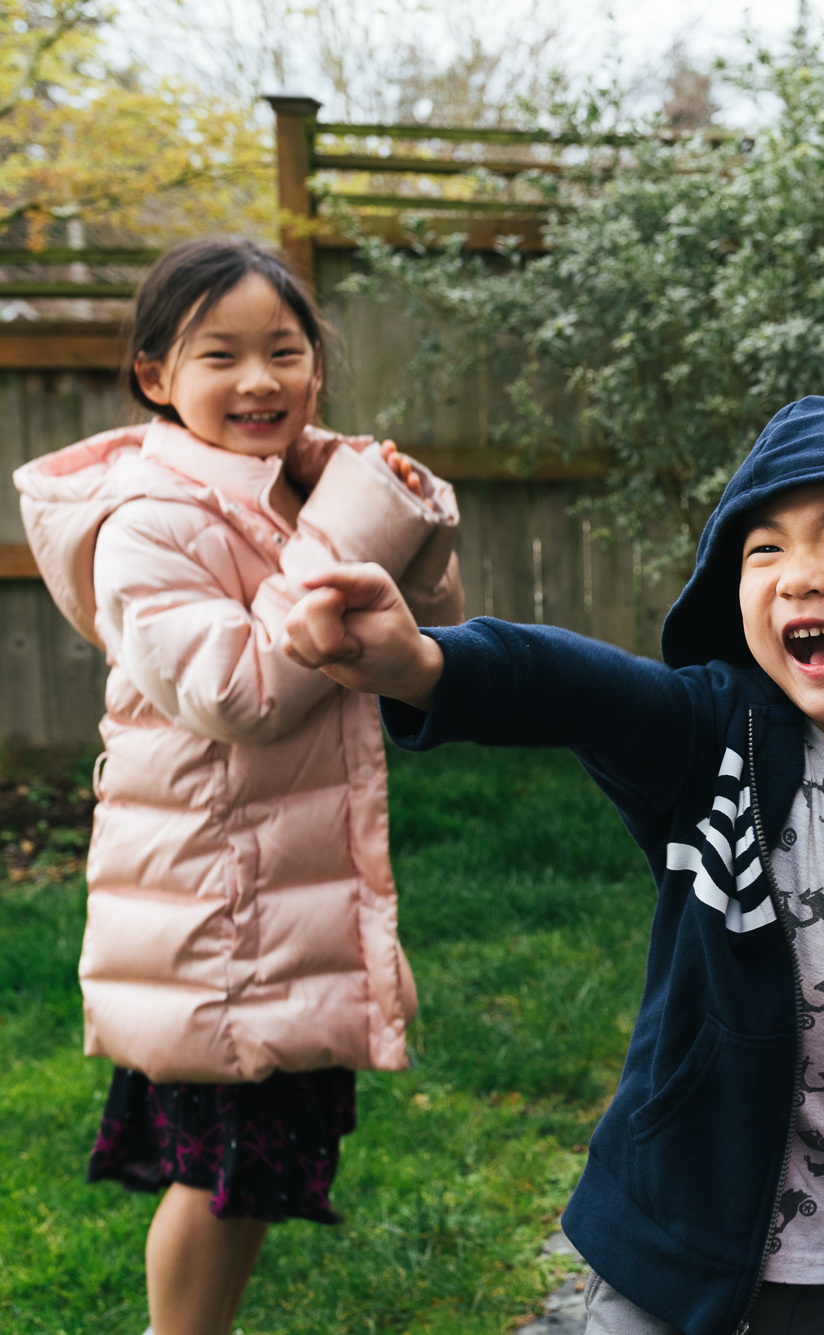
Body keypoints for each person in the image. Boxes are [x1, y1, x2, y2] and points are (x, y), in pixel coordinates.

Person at [280, 396, 824, 1335]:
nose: (800, 577)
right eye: (764, 550)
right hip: (680, 1247)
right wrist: (426, 664)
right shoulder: (719, 744)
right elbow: (581, 690)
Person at [11, 237, 463, 1335]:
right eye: (221, 356)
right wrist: (347, 528)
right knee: (223, 1171)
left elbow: (431, 643)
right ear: (156, 377)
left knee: (250, 1171)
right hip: (218, 913)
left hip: (279, 894)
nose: (260, 380)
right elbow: (236, 692)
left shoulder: (294, 492)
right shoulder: (150, 520)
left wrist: (410, 525)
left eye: (285, 351)